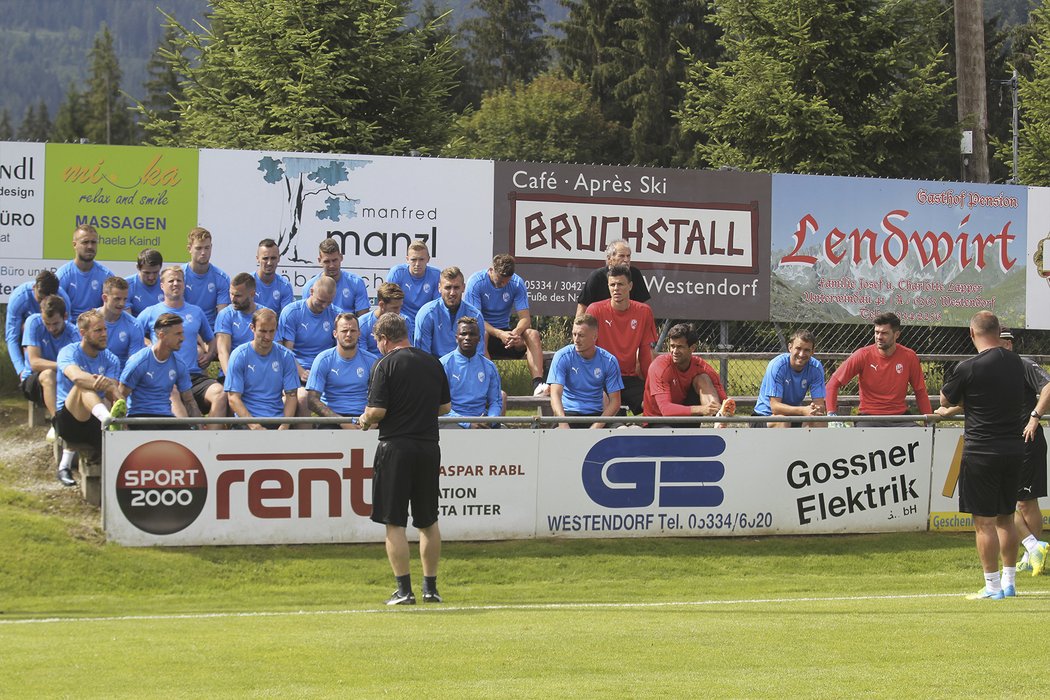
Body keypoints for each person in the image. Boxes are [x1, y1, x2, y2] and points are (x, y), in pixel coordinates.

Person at [936, 311, 1049, 600]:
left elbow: (946, 398)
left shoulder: (968, 367)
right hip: (1014, 450)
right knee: (1006, 518)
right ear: (999, 333)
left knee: (984, 522)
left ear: (972, 333)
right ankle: (1010, 583)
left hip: (981, 452)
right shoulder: (1018, 364)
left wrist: (960, 398)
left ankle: (992, 586)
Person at [359, 313, 451, 605]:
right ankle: (431, 588)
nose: (377, 346)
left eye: (377, 341)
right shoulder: (433, 362)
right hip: (428, 447)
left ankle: (403, 590)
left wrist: (363, 420)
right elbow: (445, 407)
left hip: (395, 447)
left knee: (394, 521)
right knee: (428, 520)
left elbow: (376, 412)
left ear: (384, 339)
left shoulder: (384, 365)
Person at [137, 266, 227, 423]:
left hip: (194, 376)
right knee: (173, 394)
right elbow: (135, 335)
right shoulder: (150, 312)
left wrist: (209, 354)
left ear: (184, 284)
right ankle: (189, 439)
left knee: (220, 393)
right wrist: (149, 343)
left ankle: (211, 443)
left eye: (179, 280)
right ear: (162, 285)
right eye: (171, 280)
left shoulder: (196, 312)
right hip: (165, 378)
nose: (175, 284)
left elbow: (211, 340)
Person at [999, 328, 1050, 575]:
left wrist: (1034, 417)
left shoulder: (1023, 364)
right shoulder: (994, 370)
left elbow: (1048, 387)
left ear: (1007, 344)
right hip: (1006, 442)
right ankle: (1033, 552)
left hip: (1027, 440)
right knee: (1012, 502)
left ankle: (1032, 553)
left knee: (1022, 503)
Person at [825, 312, 932, 425]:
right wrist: (831, 415)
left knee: (920, 439)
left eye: (884, 333)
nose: (879, 337)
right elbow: (832, 384)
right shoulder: (862, 355)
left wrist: (929, 422)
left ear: (897, 335)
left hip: (900, 418)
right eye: (876, 332)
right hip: (868, 418)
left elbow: (920, 391)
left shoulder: (909, 356)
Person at [53, 310, 121, 486]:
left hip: (92, 419)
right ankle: (107, 419)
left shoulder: (111, 359)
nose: (104, 334)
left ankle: (65, 467)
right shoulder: (68, 352)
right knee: (81, 385)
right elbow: (76, 376)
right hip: (67, 418)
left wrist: (116, 395)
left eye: (105, 329)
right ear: (83, 333)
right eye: (98, 330)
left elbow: (112, 388)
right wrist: (100, 383)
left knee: (116, 455)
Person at [465, 254, 547, 396]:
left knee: (532, 334)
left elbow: (525, 319)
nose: (503, 284)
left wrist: (515, 332)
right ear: (491, 270)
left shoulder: (516, 283)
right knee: (481, 333)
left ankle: (538, 385)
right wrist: (499, 334)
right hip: (484, 334)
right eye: (499, 280)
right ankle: (489, 386)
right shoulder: (476, 282)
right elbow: (475, 320)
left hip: (506, 335)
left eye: (506, 281)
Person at [585, 264, 657, 415]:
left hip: (628, 377)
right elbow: (587, 350)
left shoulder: (644, 312)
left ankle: (645, 431)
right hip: (601, 378)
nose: (616, 288)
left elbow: (645, 352)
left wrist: (651, 384)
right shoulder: (595, 310)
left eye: (620, 284)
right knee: (613, 416)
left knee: (654, 406)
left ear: (630, 286)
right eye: (612, 284)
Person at [118, 313, 200, 428]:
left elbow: (189, 400)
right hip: (139, 417)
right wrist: (123, 427)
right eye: (178, 334)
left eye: (182, 333)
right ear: (162, 335)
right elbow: (120, 396)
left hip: (165, 417)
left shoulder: (179, 363)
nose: (182, 338)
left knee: (185, 435)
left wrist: (200, 432)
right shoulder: (139, 361)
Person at [278, 275, 341, 422]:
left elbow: (338, 350)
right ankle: (305, 441)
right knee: (303, 398)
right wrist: (301, 372)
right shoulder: (292, 312)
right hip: (298, 371)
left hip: (325, 371)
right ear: (311, 291)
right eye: (321, 301)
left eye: (329, 302)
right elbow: (287, 352)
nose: (324, 306)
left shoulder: (336, 314)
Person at [224, 308, 299, 430]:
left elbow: (291, 396)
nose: (268, 337)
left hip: (277, 421)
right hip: (246, 422)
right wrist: (254, 425)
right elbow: (233, 398)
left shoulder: (286, 356)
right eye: (263, 331)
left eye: (271, 331)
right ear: (252, 328)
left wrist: (285, 425)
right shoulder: (239, 355)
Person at [547, 314, 623, 429]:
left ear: (594, 337)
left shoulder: (609, 361)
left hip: (597, 415)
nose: (576, 340)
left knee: (623, 431)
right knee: (556, 435)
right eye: (574, 334)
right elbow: (555, 395)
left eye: (581, 335)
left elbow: (615, 402)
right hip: (568, 414)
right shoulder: (562, 356)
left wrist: (597, 426)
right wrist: (563, 423)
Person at [642, 323, 729, 423]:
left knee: (703, 378)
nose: (674, 351)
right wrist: (702, 409)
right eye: (672, 346)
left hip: (684, 418)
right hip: (658, 421)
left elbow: (724, 400)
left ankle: (717, 419)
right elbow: (666, 410)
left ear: (692, 348)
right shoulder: (659, 366)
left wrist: (725, 409)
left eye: (680, 347)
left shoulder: (701, 366)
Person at [306, 312, 378, 427]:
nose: (349, 334)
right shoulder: (323, 360)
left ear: (359, 333)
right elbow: (312, 400)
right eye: (344, 331)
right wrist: (341, 422)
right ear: (335, 333)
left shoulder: (372, 361)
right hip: (332, 419)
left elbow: (381, 397)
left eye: (353, 331)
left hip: (364, 418)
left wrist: (372, 420)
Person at [21, 295, 79, 424]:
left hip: (64, 380)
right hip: (34, 380)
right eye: (47, 323)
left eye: (55, 323)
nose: (51, 328)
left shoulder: (74, 333)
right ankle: (57, 423)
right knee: (48, 375)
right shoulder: (33, 323)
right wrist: (64, 366)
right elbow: (35, 363)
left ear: (65, 317)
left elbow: (78, 366)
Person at [5, 270, 71, 379]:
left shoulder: (63, 299)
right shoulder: (19, 297)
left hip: (54, 341)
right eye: (40, 299)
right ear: (34, 287)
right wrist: (20, 370)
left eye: (47, 300)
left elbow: (66, 330)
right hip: (29, 339)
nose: (42, 304)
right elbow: (12, 336)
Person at [754, 329, 827, 428]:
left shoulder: (816, 367)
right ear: (790, 347)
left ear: (813, 352)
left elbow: (820, 405)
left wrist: (815, 409)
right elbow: (775, 407)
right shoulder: (777, 365)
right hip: (765, 416)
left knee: (818, 421)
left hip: (795, 415)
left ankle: (808, 444)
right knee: (783, 421)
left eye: (806, 350)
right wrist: (803, 410)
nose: (801, 354)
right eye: (798, 348)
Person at [440, 316, 503, 428]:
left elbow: (496, 402)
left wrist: (490, 419)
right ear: (456, 337)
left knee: (504, 434)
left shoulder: (489, 367)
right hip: (453, 421)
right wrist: (468, 423)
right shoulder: (444, 364)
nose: (467, 338)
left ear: (479, 339)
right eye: (463, 334)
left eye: (472, 334)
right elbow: (440, 406)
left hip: (482, 420)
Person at [414, 267, 484, 359]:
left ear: (463, 287)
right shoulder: (427, 314)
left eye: (456, 287)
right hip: (434, 367)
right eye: (448, 287)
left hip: (465, 367)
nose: (452, 293)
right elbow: (422, 357)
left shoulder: (475, 315)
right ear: (439, 288)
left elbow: (478, 355)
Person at [575, 239, 650, 317]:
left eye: (628, 256)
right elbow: (582, 307)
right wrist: (578, 328)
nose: (626, 260)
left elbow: (641, 307)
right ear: (609, 259)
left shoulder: (635, 274)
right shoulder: (596, 277)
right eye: (622, 256)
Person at [56, 224, 114, 319]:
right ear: (74, 245)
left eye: (93, 242)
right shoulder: (63, 276)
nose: (90, 246)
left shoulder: (106, 276)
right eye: (85, 242)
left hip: (97, 329)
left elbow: (112, 311)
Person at [301, 238, 370, 316]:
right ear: (320, 261)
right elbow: (306, 317)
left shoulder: (356, 283)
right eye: (327, 261)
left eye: (334, 260)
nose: (331, 265)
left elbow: (363, 319)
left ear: (341, 257)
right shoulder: (310, 287)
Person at [182, 227, 231, 327]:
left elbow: (222, 318)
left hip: (211, 332)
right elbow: (176, 311)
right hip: (185, 330)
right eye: (199, 248)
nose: (203, 252)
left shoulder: (222, 278)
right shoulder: (179, 276)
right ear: (189, 249)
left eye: (207, 248)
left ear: (211, 247)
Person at [386, 241, 441, 324]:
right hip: (401, 322)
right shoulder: (397, 273)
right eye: (413, 260)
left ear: (428, 259)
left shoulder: (436, 275)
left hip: (426, 322)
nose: (417, 264)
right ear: (407, 259)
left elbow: (438, 306)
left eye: (421, 259)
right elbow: (388, 304)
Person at [99, 276, 145, 373]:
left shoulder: (135, 325)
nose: (122, 304)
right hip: (92, 377)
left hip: (120, 379)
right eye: (117, 299)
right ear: (105, 298)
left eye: (125, 299)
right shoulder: (88, 321)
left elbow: (134, 365)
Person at [215, 273, 258, 375]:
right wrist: (231, 379)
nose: (233, 299)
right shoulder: (225, 315)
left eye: (238, 296)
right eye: (231, 294)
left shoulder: (264, 315)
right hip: (232, 373)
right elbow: (223, 352)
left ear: (252, 294)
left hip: (260, 375)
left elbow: (276, 349)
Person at [359, 282, 414, 355]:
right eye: (394, 308)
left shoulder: (405, 321)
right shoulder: (363, 324)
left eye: (400, 307)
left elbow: (409, 351)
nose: (398, 312)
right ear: (381, 304)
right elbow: (363, 356)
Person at [253, 238, 294, 314]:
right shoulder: (248, 283)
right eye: (265, 258)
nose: (269, 263)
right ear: (258, 259)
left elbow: (285, 319)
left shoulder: (285, 286)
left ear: (278, 258)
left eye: (273, 258)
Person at [125, 248, 164, 316]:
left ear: (160, 267)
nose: (151, 277)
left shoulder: (167, 284)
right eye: (146, 273)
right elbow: (128, 320)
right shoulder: (126, 286)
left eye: (155, 272)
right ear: (138, 267)